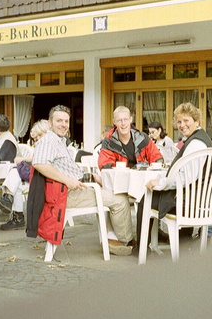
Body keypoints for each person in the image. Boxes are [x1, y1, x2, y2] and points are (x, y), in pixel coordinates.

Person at [30, 105, 135, 256]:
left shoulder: (58, 140)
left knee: (112, 194)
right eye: (59, 120)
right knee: (120, 200)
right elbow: (39, 164)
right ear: (49, 123)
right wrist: (67, 181)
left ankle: (113, 238)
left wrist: (92, 177)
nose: (63, 125)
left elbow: (66, 169)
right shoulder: (48, 141)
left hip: (72, 189)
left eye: (66, 121)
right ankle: (126, 241)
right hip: (66, 195)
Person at [137, 103, 212, 252]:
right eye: (179, 122)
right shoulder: (199, 139)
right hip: (200, 199)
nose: (182, 125)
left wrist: (161, 182)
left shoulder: (195, 144)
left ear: (196, 121)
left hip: (193, 204)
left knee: (145, 199)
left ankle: (141, 249)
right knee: (159, 194)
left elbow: (186, 177)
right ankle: (183, 243)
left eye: (186, 121)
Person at [0, 120, 49, 231]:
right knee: (16, 184)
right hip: (37, 176)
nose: (37, 139)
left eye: (39, 136)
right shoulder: (42, 144)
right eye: (36, 137)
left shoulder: (48, 145)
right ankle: (17, 216)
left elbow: (37, 159)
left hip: (45, 179)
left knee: (15, 172)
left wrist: (23, 159)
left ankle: (9, 201)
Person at [98, 106, 163, 169]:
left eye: (126, 119)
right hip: (119, 178)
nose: (123, 123)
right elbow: (105, 167)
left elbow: (157, 158)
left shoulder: (142, 138)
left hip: (142, 178)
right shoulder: (109, 142)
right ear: (114, 122)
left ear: (130, 119)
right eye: (119, 120)